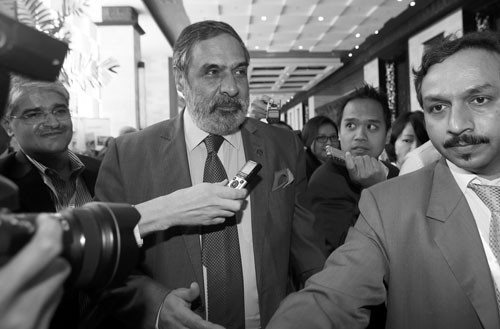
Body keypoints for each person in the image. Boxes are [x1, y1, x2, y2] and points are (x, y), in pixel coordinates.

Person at [94, 20, 325, 329]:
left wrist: (323, 303)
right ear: (180, 81)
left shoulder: (282, 145)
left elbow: (307, 251)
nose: (232, 87)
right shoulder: (129, 156)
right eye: (213, 72)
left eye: (239, 71)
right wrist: (156, 306)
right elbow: (104, 266)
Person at [267, 31, 500, 329]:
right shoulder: (387, 205)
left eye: (479, 99)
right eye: (438, 108)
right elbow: (329, 300)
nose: (456, 125)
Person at [306, 84, 399, 255]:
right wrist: (374, 189)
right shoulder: (326, 180)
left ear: (387, 135)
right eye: (350, 126)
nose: (360, 136)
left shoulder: (394, 174)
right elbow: (350, 250)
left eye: (371, 127)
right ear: (339, 133)